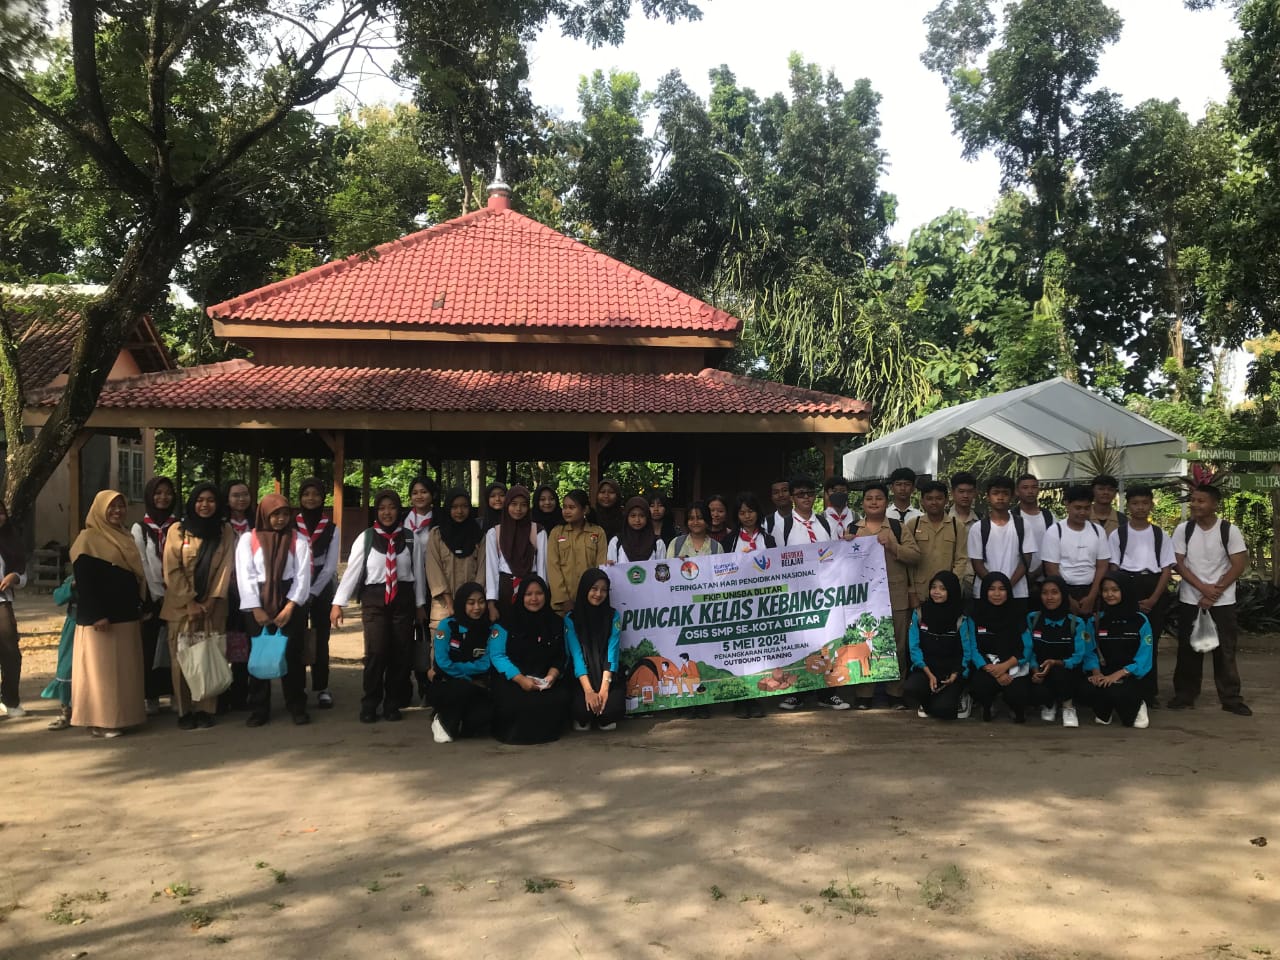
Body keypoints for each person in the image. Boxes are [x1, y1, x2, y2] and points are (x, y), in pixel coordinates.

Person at [332, 489, 416, 724]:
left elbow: (417, 573)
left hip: (403, 600)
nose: (387, 512)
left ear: (399, 510)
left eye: (391, 507)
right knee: (376, 653)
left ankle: (392, 703)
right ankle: (370, 702)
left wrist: (419, 604)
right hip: (374, 600)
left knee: (400, 654)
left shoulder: (409, 538)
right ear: (376, 511)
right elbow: (352, 572)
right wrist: (338, 603)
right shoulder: (366, 537)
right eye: (382, 508)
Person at [70, 490, 148, 738]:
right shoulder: (87, 539)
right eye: (111, 507)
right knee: (101, 673)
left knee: (124, 671)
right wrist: (96, 614)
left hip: (125, 615)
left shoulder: (125, 537)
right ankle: (100, 721)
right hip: (101, 620)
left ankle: (124, 716)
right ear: (99, 510)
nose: (117, 511)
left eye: (121, 506)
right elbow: (85, 582)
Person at [159, 482, 236, 730]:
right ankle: (184, 710)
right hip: (181, 607)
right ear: (192, 502)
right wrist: (190, 601)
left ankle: (205, 709)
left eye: (211, 500)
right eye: (200, 500)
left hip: (214, 607)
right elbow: (171, 569)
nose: (205, 505)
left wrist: (212, 600)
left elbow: (226, 567)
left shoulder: (225, 531)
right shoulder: (178, 530)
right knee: (182, 659)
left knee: (210, 655)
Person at [1170, 485, 1251, 715]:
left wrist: (1215, 591)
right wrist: (1202, 588)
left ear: (1214, 504)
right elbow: (1178, 563)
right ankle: (1184, 695)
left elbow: (1238, 564)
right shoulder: (1183, 530)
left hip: (1223, 602)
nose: (1195, 505)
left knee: (1225, 650)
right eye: (1193, 500)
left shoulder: (1229, 530)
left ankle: (1231, 699)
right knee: (1188, 649)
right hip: (1190, 599)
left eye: (1201, 501)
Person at [235, 493, 312, 727]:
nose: (280, 519)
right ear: (264, 514)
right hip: (257, 600)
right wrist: (255, 608)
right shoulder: (249, 539)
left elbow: (302, 575)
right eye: (275, 514)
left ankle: (296, 704)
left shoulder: (297, 539)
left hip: (289, 600)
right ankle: (259, 707)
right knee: (259, 653)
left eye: (284, 514)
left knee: (293, 655)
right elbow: (245, 575)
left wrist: (290, 606)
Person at [849, 483, 921, 710]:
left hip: (894, 595)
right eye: (869, 498)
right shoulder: (853, 529)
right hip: (863, 599)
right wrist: (844, 545)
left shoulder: (898, 528)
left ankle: (895, 693)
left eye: (878, 498)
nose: (873, 502)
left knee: (897, 646)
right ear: (863, 503)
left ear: (885, 502)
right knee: (862, 644)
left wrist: (893, 546)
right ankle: (864, 694)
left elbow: (915, 556)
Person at [1108, 484, 1174, 710]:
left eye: (1145, 503)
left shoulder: (1159, 534)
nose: (1140, 507)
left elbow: (1166, 568)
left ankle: (1149, 691)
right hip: (1126, 584)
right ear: (1128, 506)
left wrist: (1154, 598)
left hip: (1153, 584)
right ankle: (1123, 686)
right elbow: (1114, 566)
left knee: (1150, 641)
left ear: (1151, 505)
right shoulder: (1119, 534)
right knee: (1126, 641)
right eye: (1135, 503)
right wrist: (1125, 597)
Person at [491, 576, 571, 744]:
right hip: (514, 679)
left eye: (539, 593)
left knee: (559, 698)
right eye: (528, 594)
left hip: (543, 679)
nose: (534, 599)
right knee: (515, 703)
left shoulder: (556, 622)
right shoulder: (506, 622)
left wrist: (551, 677)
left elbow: (561, 655)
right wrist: (520, 679)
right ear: (521, 596)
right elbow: (497, 655)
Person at [421, 490, 486, 686]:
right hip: (443, 605)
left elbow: (482, 568)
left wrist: (473, 601)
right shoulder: (437, 535)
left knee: (471, 647)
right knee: (441, 650)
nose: (460, 511)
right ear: (448, 509)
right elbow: (433, 568)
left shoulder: (478, 535)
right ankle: (439, 695)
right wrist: (450, 603)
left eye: (464, 506)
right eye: (455, 507)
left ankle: (470, 691)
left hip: (473, 605)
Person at [132, 475, 177, 714]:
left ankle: (174, 691)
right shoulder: (140, 528)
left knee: (175, 647)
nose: (163, 497)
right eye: (158, 493)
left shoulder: (179, 526)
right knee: (150, 647)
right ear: (150, 496)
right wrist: (157, 596)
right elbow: (141, 564)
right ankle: (150, 696)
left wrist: (175, 593)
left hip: (177, 596)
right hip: (151, 597)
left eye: (167, 493)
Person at [295, 477, 340, 710]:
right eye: (306, 494)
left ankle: (322, 688)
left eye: (315, 494)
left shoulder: (331, 528)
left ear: (323, 498)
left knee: (322, 640)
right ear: (300, 498)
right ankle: (298, 687)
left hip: (321, 590)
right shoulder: (292, 526)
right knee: (298, 638)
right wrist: (301, 590)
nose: (311, 498)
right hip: (294, 590)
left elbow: (331, 566)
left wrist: (312, 591)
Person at [429, 581, 494, 743]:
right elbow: (443, 662)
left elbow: (486, 663)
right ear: (461, 603)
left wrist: (462, 671)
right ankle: (442, 721)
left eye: (481, 602)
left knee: (482, 717)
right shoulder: (448, 626)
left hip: (475, 687)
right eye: (471, 603)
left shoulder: (489, 628)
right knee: (461, 688)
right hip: (447, 683)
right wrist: (467, 676)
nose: (477, 608)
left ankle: (461, 720)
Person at [903, 571, 972, 720]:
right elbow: (914, 647)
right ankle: (928, 699)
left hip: (951, 672)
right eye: (933, 587)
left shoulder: (961, 618)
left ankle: (961, 695)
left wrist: (955, 674)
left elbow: (966, 651)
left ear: (951, 591)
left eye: (942, 588)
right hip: (927, 669)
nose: (936, 592)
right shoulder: (920, 613)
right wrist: (928, 673)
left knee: (944, 711)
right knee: (911, 688)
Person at [1085, 574, 1153, 729]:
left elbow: (1144, 657)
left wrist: (1119, 673)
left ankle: (1138, 703)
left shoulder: (1140, 620)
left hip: (1130, 675)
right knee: (1085, 689)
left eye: (1115, 590)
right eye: (1105, 590)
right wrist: (1096, 673)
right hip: (1103, 674)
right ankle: (1106, 708)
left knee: (1134, 722)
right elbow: (1090, 652)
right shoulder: (1095, 621)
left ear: (1125, 591)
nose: (1109, 594)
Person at [1024, 575, 1089, 727]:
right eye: (1045, 593)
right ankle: (1049, 703)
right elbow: (1028, 648)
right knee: (1032, 690)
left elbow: (1079, 656)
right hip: (1040, 671)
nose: (1049, 597)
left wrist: (1056, 663)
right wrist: (1034, 669)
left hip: (1066, 672)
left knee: (1060, 673)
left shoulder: (1076, 622)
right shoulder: (1033, 618)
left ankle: (1068, 705)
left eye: (1054, 592)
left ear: (1063, 595)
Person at [564, 568, 625, 732]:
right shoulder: (571, 619)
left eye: (604, 590)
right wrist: (589, 691)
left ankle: (600, 712)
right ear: (585, 589)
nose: (599, 594)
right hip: (582, 678)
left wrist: (604, 689)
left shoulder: (613, 616)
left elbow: (612, 654)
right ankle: (585, 715)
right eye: (594, 588)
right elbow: (576, 657)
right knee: (582, 712)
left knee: (610, 712)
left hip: (606, 676)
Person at [966, 572, 1031, 723]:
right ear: (984, 591)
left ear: (1008, 591)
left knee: (1019, 693)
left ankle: (1015, 707)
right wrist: (995, 671)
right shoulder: (975, 616)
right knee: (980, 685)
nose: (997, 594)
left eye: (1002, 589)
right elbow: (973, 649)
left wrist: (1005, 666)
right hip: (988, 665)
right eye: (991, 589)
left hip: (1014, 664)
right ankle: (988, 705)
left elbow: (1027, 647)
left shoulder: (1018, 615)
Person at [1039, 484, 1110, 620]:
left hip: (1091, 590)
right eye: (1078, 508)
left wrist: (1092, 596)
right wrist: (1068, 599)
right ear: (1067, 505)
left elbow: (1102, 565)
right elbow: (1051, 568)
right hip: (1063, 591)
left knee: (1090, 634)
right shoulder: (1055, 531)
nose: (1082, 512)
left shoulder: (1098, 531)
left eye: (1087, 508)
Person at [967, 477, 1030, 619]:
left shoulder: (1023, 525)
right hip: (985, 593)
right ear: (988, 496)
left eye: (1005, 493)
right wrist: (995, 588)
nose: (1000, 497)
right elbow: (977, 563)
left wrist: (1006, 587)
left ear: (1012, 496)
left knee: (1015, 636)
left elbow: (1026, 561)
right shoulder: (978, 528)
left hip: (1017, 592)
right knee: (986, 637)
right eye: (996, 493)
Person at [484, 485, 548, 622]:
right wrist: (491, 603)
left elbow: (542, 568)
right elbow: (491, 570)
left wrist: (544, 596)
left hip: (532, 592)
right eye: (514, 504)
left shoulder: (538, 531)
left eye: (523, 505)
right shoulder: (494, 533)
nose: (518, 509)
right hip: (505, 592)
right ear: (507, 505)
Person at [906, 481, 970, 609]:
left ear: (946, 500)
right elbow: (908, 563)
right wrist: (911, 592)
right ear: (922, 501)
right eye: (929, 499)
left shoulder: (957, 526)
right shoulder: (913, 524)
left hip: (948, 593)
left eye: (939, 498)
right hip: (920, 592)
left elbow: (961, 560)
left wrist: (952, 587)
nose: (934, 502)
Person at [220, 479, 254, 712]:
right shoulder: (220, 525)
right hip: (223, 591)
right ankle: (221, 695)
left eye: (244, 495)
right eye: (235, 495)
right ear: (227, 499)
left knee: (244, 641)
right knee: (222, 641)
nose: (241, 499)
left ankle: (241, 692)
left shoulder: (256, 524)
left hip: (249, 592)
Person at [546, 489, 608, 615]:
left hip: (591, 601)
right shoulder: (556, 533)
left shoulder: (598, 532)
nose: (566, 511)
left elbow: (600, 567)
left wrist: (594, 595)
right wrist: (563, 600)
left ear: (585, 510)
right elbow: (553, 567)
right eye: (564, 507)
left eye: (572, 507)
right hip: (563, 606)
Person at [0, 500, 27, 720]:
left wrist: (15, 577)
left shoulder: (10, 541)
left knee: (10, 653)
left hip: (2, 603)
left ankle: (10, 699)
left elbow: (23, 573)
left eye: (1, 513)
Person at [42, 570, 76, 729]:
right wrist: (73, 586)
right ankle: (66, 711)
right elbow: (58, 597)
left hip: (96, 627)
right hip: (74, 626)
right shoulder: (74, 577)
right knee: (66, 667)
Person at [1014, 474, 1056, 600]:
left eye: (1034, 487)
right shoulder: (1012, 517)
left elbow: (1054, 547)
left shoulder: (1049, 517)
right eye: (1025, 488)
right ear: (1017, 491)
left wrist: (1038, 572)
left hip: (1045, 580)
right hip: (1017, 580)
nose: (1030, 491)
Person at [774, 476, 832, 546]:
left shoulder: (824, 522)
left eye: (810, 493)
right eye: (801, 494)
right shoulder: (781, 526)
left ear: (815, 496)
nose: (806, 497)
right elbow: (777, 555)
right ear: (792, 498)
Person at [608, 496, 667, 563]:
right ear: (627, 517)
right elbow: (611, 570)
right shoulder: (616, 542)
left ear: (647, 517)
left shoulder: (657, 543)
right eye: (633, 516)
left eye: (642, 516)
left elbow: (662, 569)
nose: (637, 520)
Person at [730, 492, 776, 556]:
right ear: (737, 516)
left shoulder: (769, 540)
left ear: (757, 512)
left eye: (750, 511)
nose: (747, 516)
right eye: (742, 513)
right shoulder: (730, 540)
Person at [822, 476, 857, 540]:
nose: (838, 493)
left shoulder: (856, 518)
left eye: (842, 490)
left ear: (848, 493)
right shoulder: (820, 519)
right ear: (826, 494)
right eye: (834, 491)